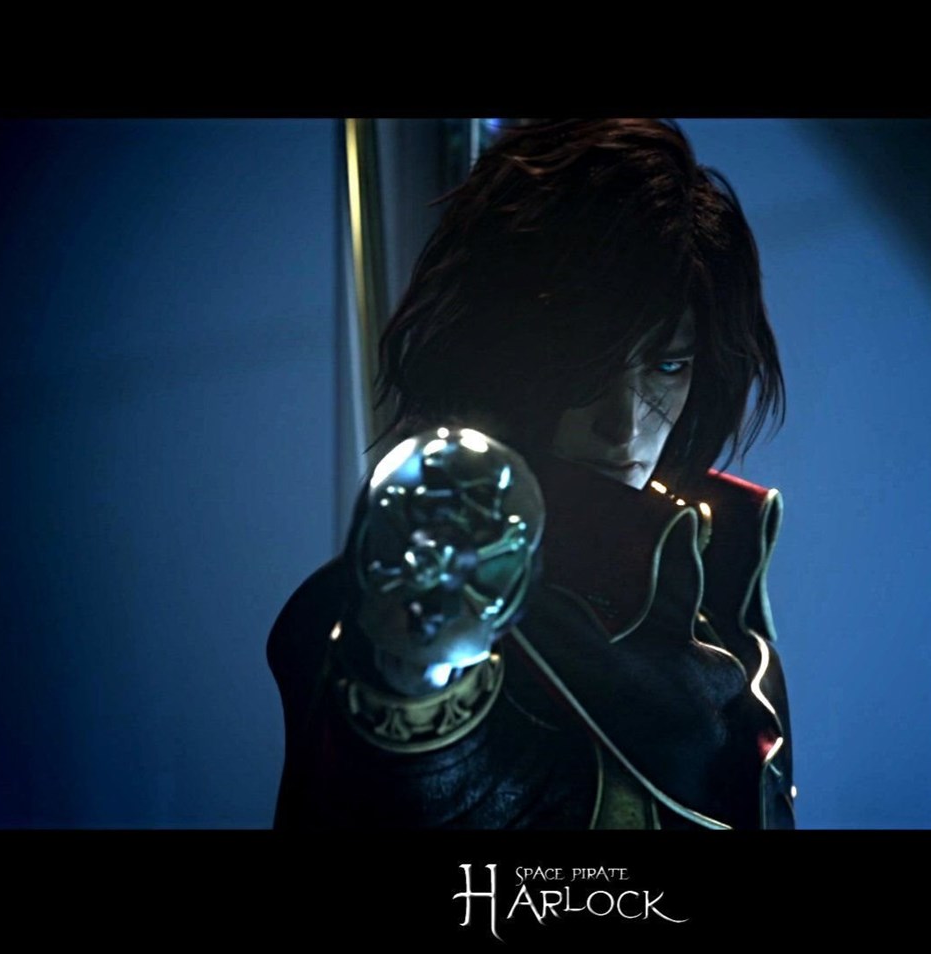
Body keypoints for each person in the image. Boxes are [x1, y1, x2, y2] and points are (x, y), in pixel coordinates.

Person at [268, 119, 794, 829]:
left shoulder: (719, 580)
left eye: (668, 365)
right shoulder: (423, 586)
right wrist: (414, 659)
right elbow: (423, 776)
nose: (622, 423)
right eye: (590, 364)